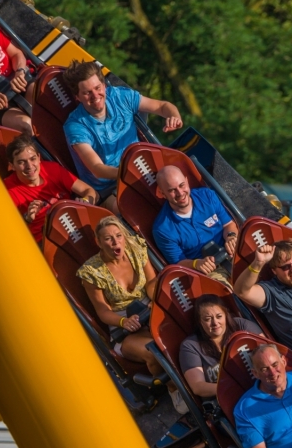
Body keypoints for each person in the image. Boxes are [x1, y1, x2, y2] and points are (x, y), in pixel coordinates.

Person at [62, 60, 183, 202]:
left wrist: (174, 116)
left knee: (176, 182)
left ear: (104, 86)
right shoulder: (75, 125)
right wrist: (131, 173)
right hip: (108, 186)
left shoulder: (120, 97)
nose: (95, 96)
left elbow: (162, 106)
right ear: (78, 97)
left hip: (141, 166)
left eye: (97, 88)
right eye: (87, 93)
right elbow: (97, 168)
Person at [77, 216, 160, 376]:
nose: (115, 242)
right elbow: (103, 311)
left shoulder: (135, 249)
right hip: (124, 329)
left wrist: (156, 299)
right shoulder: (92, 272)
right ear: (99, 243)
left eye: (118, 236)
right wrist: (124, 322)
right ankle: (175, 393)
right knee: (154, 353)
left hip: (150, 312)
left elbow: (151, 281)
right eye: (108, 239)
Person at [4, 134, 98, 243]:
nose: (29, 166)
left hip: (74, 224)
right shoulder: (7, 192)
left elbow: (91, 192)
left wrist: (85, 202)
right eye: (21, 162)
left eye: (32, 159)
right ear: (12, 166)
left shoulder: (52, 169)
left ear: (39, 158)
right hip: (45, 239)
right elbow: (6, 233)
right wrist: (27, 218)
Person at [152, 166, 238, 283]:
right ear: (161, 193)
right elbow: (178, 264)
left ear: (187, 181)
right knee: (222, 290)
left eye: (182, 185)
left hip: (231, 253)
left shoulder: (207, 196)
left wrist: (231, 237)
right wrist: (196, 264)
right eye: (172, 190)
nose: (180, 193)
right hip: (207, 270)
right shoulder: (162, 229)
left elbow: (228, 225)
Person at [180, 294, 263, 398]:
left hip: (262, 386)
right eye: (207, 319)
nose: (215, 323)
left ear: (226, 314)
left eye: (219, 316)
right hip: (229, 398)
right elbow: (198, 387)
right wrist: (235, 388)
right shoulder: (190, 346)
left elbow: (269, 351)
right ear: (199, 321)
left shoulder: (241, 326)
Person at [0, 26, 34, 133]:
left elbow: (16, 53)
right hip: (0, 104)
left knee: (44, 97)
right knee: (26, 125)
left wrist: (20, 72)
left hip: (19, 79)